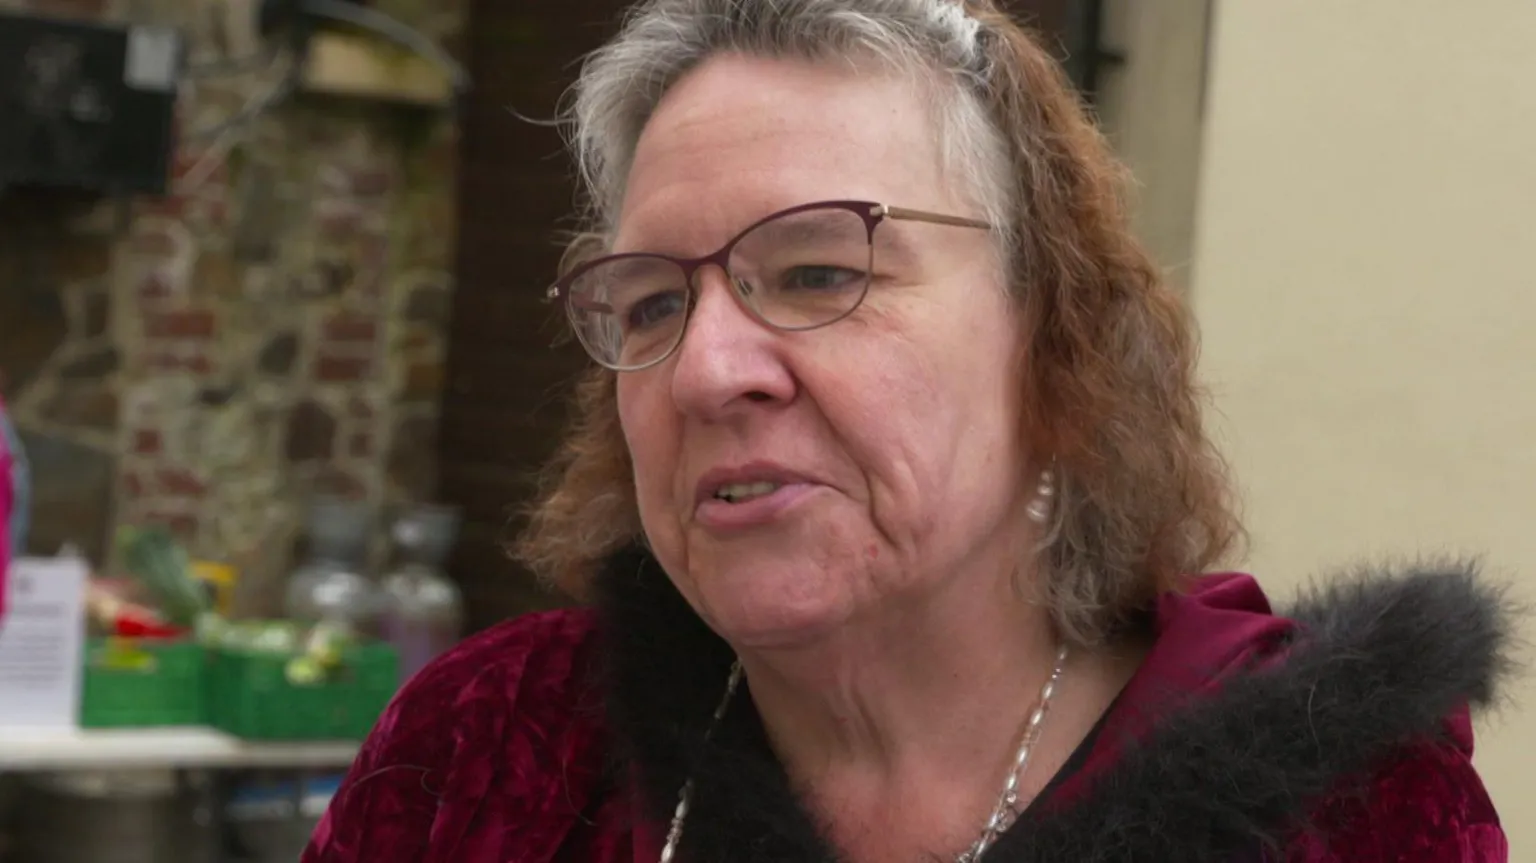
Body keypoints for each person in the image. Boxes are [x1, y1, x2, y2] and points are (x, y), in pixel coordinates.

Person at [303, 1, 1516, 860]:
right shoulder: (491, 753)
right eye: (656, 300)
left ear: (1051, 340)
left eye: (821, 271)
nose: (707, 370)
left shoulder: (1350, 809)